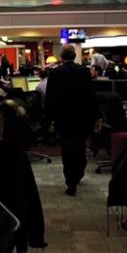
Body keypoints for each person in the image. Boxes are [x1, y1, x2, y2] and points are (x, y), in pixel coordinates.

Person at [44, 44, 99, 195]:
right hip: (82, 117)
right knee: (80, 145)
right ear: (75, 56)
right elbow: (91, 96)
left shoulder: (55, 73)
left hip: (64, 117)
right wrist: (96, 116)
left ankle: (71, 182)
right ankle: (79, 172)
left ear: (61, 57)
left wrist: (48, 118)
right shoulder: (84, 72)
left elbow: (50, 98)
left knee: (67, 149)